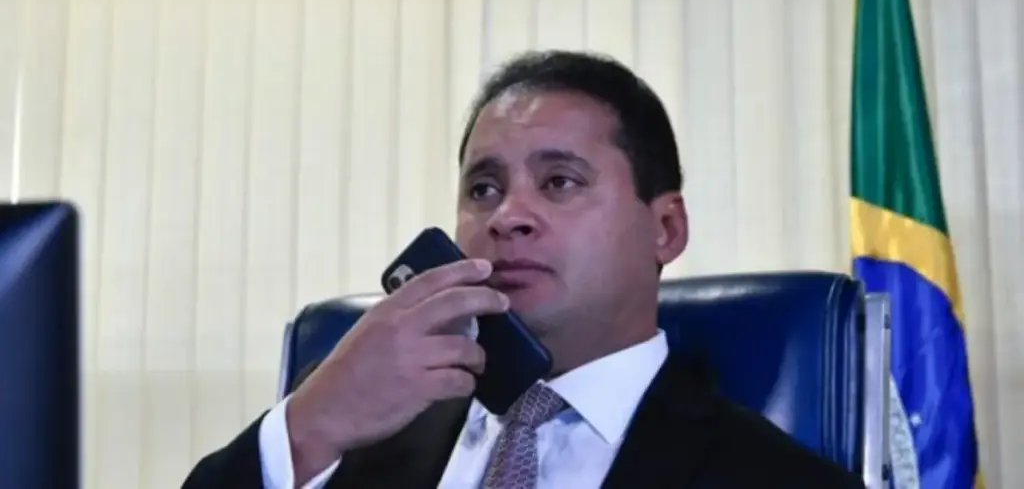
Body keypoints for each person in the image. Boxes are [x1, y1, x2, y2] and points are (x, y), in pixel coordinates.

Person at [183, 50, 865, 489]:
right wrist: (309, 426)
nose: (507, 216)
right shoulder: (358, 424)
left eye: (560, 181)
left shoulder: (777, 476)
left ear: (665, 228)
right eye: (483, 189)